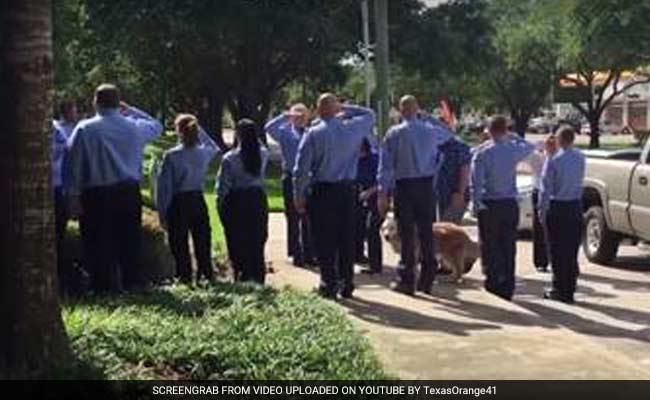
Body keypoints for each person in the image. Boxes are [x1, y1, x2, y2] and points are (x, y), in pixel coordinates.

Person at [66, 83, 163, 292]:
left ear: (95, 102)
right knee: (129, 239)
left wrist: (73, 197)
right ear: (118, 103)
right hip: (128, 191)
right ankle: (133, 281)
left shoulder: (85, 129)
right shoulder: (134, 127)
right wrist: (132, 110)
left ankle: (103, 286)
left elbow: (74, 165)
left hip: (96, 193)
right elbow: (157, 126)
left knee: (97, 241)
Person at [293, 93, 376, 299]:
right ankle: (346, 282)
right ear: (336, 108)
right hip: (348, 190)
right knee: (346, 238)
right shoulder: (353, 128)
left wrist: (299, 195)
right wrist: (344, 107)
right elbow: (370, 114)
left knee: (324, 239)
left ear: (318, 110)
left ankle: (328, 282)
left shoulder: (313, 133)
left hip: (322, 190)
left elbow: (301, 169)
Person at [377, 95, 453, 295]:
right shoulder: (430, 130)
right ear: (417, 109)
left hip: (404, 185)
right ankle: (428, 278)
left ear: (401, 111)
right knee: (427, 232)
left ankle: (407, 278)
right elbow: (449, 133)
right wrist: (428, 118)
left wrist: (382, 192)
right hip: (426, 185)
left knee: (407, 234)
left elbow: (386, 166)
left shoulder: (394, 133)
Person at [470, 115, 535, 300]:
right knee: (508, 245)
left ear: (489, 131)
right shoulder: (512, 149)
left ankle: (493, 281)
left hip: (490, 203)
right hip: (509, 203)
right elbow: (530, 147)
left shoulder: (482, 153)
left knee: (490, 245)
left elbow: (476, 183)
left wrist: (476, 204)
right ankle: (508, 284)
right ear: (505, 130)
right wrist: (513, 136)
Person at [157, 114, 221, 284]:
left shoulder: (171, 156)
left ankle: (184, 276)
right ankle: (206, 274)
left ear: (178, 131)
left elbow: (164, 188)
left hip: (179, 201)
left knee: (179, 242)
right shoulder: (203, 153)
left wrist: (162, 212)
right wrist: (199, 129)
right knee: (202, 240)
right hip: (197, 198)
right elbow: (214, 146)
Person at [217, 119, 269, 284]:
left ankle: (242, 274)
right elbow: (259, 145)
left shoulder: (230, 158)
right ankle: (258, 274)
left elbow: (223, 186)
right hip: (257, 199)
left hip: (237, 200)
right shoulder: (263, 154)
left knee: (238, 238)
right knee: (257, 238)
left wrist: (221, 206)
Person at [538, 126, 585, 304]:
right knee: (571, 250)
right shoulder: (580, 157)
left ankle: (559, 289)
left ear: (559, 139)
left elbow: (545, 189)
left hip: (558, 206)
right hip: (574, 205)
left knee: (557, 250)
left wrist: (542, 211)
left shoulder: (553, 160)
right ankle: (570, 288)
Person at [264, 104, 314, 267]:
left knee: (309, 218)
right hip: (290, 176)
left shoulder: (312, 132)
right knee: (293, 216)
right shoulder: (285, 132)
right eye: (297, 115)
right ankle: (296, 252)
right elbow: (268, 127)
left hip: (309, 178)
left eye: (303, 115)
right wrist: (286, 115)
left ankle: (309, 252)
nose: (300, 118)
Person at [52, 100, 79, 294]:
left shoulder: (57, 131)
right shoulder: (57, 129)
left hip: (58, 188)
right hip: (55, 187)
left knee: (58, 238)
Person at [526, 135, 558, 273]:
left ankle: (549, 259)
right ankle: (542, 261)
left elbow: (526, 148)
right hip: (540, 192)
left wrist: (537, 144)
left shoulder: (557, 158)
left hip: (554, 194)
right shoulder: (539, 158)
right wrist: (538, 144)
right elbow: (526, 150)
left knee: (550, 229)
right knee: (539, 228)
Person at [354, 137, 382, 274]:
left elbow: (382, 181)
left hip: (377, 198)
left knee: (372, 229)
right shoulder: (353, 159)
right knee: (358, 227)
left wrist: (369, 192)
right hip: (360, 198)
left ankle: (376, 265)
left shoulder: (375, 159)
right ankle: (359, 255)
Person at [435, 122, 472, 224]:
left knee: (448, 229)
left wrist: (460, 192)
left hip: (454, 195)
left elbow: (465, 170)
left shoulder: (460, 147)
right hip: (439, 195)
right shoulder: (437, 146)